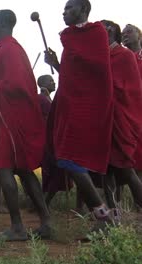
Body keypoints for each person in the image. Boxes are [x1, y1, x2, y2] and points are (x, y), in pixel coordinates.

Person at [0, 10, 51, 241]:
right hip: (6, 114)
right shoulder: (3, 50)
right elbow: (0, 87)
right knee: (24, 171)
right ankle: (46, 222)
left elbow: (17, 84)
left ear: (4, 23)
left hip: (8, 119)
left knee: (4, 168)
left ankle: (18, 227)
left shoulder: (10, 49)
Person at [44, 0, 114, 230]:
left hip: (89, 107)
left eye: (69, 8)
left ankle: (104, 216)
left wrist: (69, 42)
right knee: (67, 158)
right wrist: (55, 62)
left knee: (71, 160)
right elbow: (73, 74)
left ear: (83, 9)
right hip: (69, 106)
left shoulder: (97, 33)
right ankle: (105, 215)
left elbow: (98, 69)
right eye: (63, 8)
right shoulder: (71, 38)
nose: (64, 12)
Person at [100, 20, 142, 221]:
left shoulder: (125, 56)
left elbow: (129, 89)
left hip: (122, 118)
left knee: (126, 169)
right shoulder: (102, 56)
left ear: (109, 32)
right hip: (104, 120)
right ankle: (113, 216)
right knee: (106, 169)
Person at [37, 75, 74, 208]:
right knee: (54, 171)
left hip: (55, 139)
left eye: (53, 80)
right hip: (48, 141)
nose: (53, 83)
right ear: (42, 84)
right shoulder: (40, 98)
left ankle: (42, 203)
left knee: (57, 172)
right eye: (50, 81)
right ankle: (42, 204)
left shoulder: (48, 99)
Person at [122, 24, 142, 183]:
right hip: (127, 114)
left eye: (129, 32)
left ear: (139, 35)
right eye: (122, 34)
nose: (125, 35)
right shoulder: (120, 57)